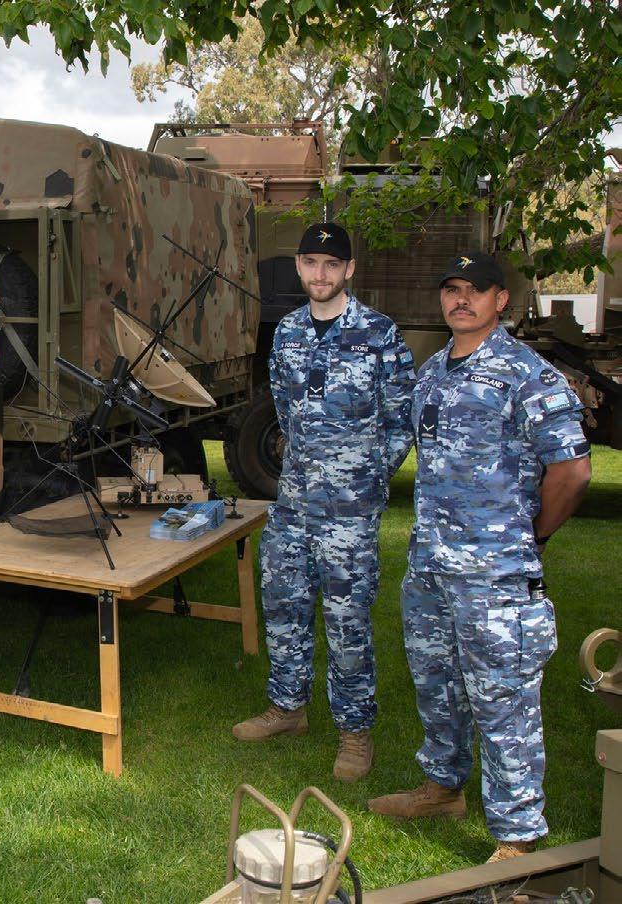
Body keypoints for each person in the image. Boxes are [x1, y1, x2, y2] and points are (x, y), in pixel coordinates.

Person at [368, 251, 591, 863]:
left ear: (501, 300)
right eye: (452, 289)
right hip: (432, 566)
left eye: (476, 289)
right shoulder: (433, 372)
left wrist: (531, 538)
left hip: (495, 575)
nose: (461, 299)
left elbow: (572, 472)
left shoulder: (528, 375)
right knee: (435, 682)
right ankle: (443, 788)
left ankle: (518, 836)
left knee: (503, 700)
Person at [231, 223, 415, 783]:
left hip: (349, 512)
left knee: (346, 619)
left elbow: (402, 418)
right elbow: (284, 409)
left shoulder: (379, 334)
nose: (320, 273)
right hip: (292, 504)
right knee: (283, 604)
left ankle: (355, 732)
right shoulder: (287, 333)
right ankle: (287, 708)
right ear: (298, 266)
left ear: (349, 270)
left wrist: (367, 476)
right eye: (311, 262)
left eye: (332, 264)